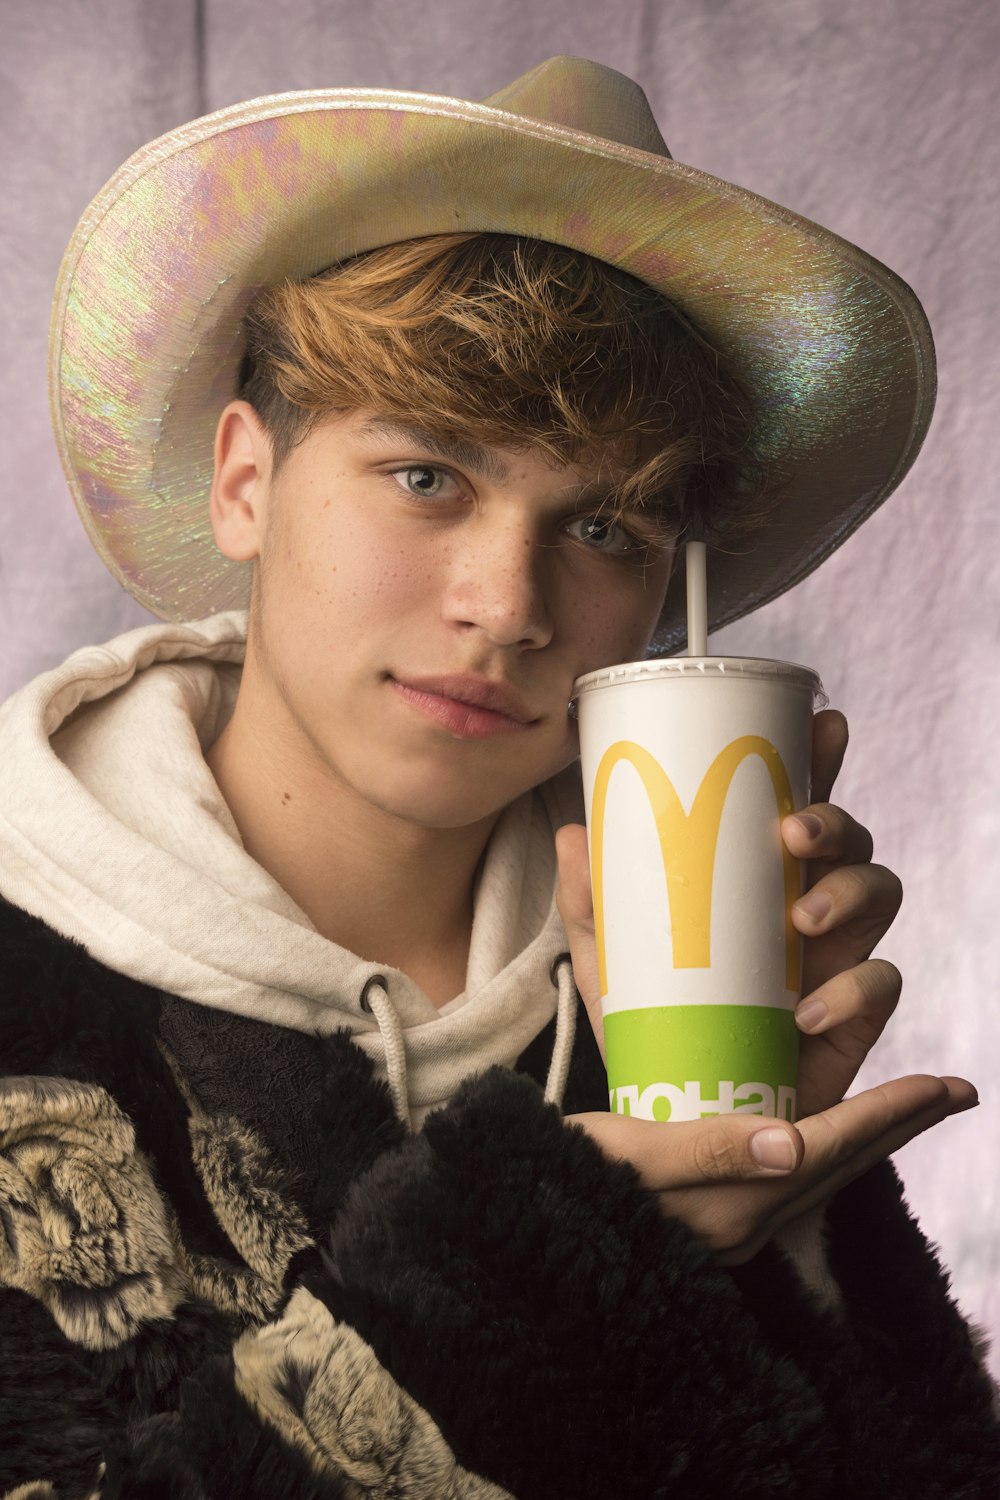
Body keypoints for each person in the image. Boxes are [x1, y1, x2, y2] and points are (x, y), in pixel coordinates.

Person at [0, 55, 996, 1499]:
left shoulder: (667, 988)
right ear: (243, 481)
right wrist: (546, 1246)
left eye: (603, 529)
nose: (509, 603)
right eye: (427, 477)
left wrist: (796, 1241)